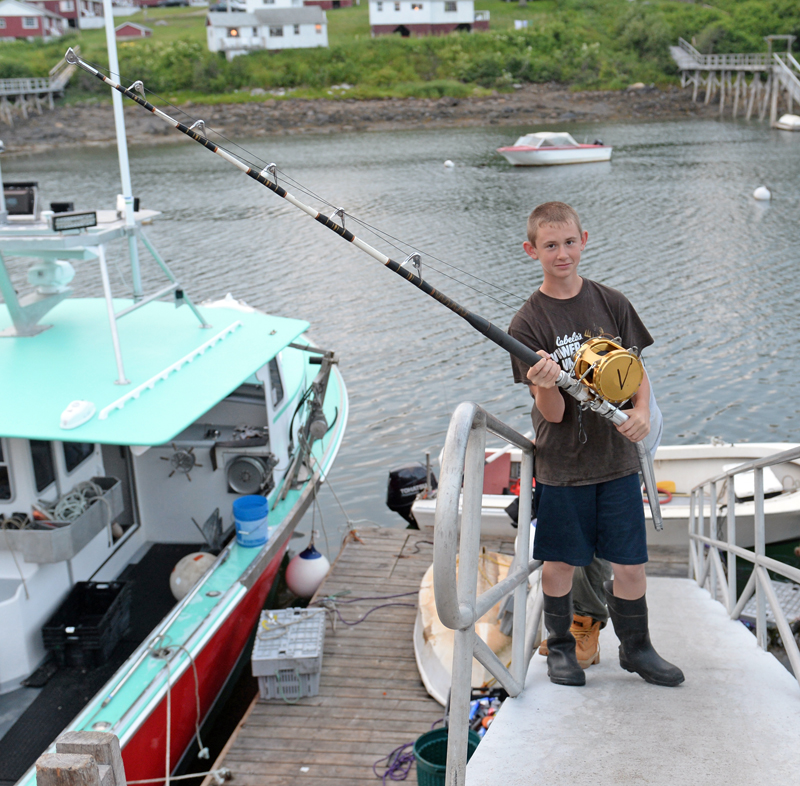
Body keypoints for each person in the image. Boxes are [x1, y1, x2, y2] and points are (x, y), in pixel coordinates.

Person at [508, 201, 683, 688]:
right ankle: (561, 647)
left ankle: (637, 649)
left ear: (584, 240)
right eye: (549, 245)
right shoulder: (526, 324)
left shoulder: (612, 302)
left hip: (618, 460)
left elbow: (635, 370)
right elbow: (554, 414)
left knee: (631, 563)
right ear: (531, 250)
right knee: (560, 562)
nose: (561, 253)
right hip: (564, 466)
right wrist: (545, 381)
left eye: (568, 242)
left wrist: (642, 413)